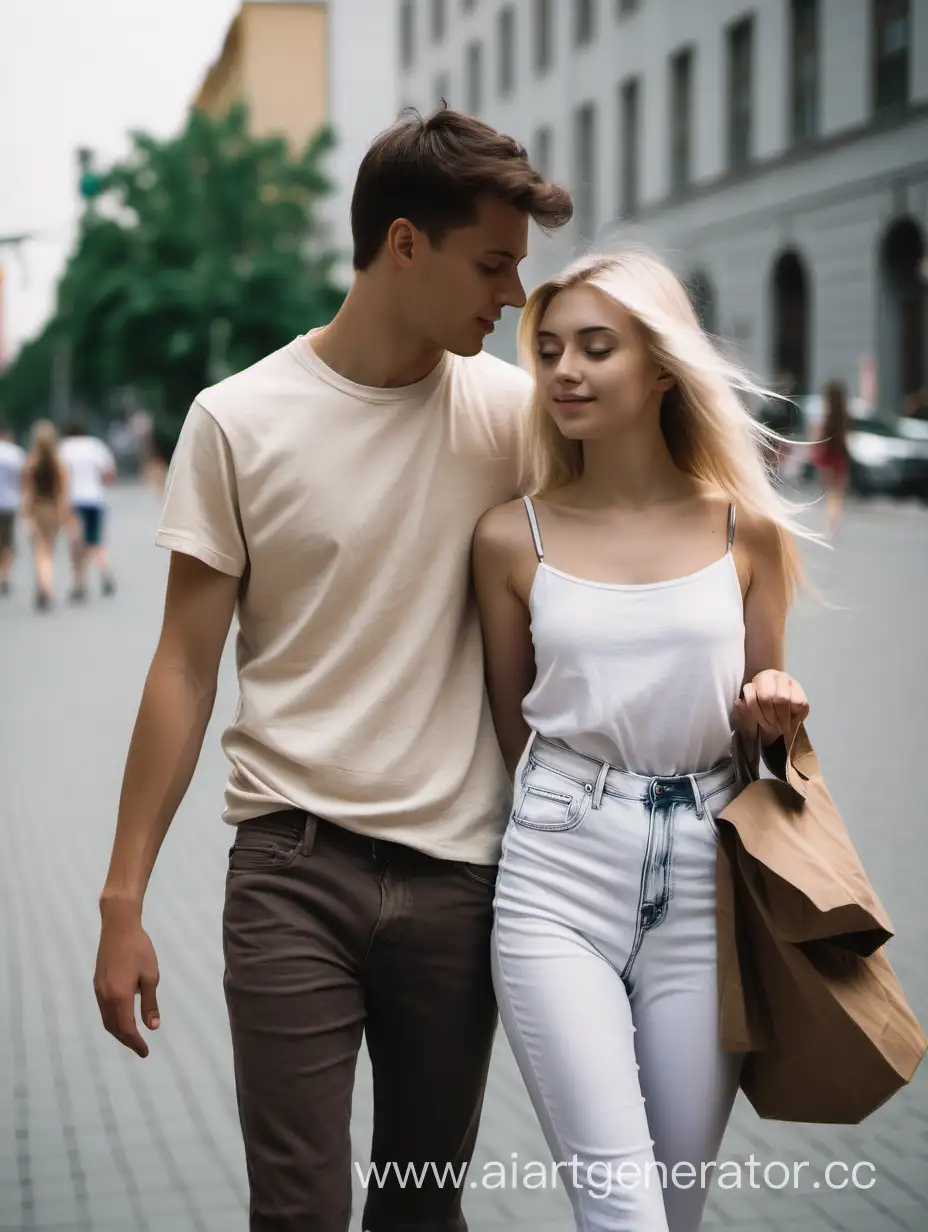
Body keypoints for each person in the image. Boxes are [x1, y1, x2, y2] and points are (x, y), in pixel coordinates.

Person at [92, 106, 572, 1231]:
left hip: (462, 879)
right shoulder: (237, 420)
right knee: (297, 1210)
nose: (511, 298)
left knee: (419, 1209)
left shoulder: (518, 421)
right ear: (404, 242)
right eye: (493, 263)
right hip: (290, 872)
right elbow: (181, 669)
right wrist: (121, 900)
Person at [472, 251, 812, 1232]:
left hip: (707, 873)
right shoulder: (509, 537)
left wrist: (770, 710)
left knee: (673, 1204)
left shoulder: (747, 532)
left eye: (594, 346)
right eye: (547, 350)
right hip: (557, 874)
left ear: (660, 367)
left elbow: (763, 732)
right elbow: (512, 723)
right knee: (621, 1209)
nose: (564, 369)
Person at [59, 417, 118, 600]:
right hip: (95, 499)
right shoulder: (95, 446)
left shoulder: (63, 448)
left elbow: (59, 476)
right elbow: (109, 474)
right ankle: (105, 571)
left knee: (76, 543)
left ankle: (80, 583)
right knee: (95, 542)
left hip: (73, 501)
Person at [20, 420, 71, 612]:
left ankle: (44, 587)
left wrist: (27, 516)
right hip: (53, 509)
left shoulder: (30, 463)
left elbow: (28, 493)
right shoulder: (59, 463)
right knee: (48, 551)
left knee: (39, 551)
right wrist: (64, 515)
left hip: (37, 509)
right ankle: (45, 586)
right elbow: (62, 493)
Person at [812, 379, 852, 539]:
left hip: (828, 455)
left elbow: (820, 438)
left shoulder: (827, 416)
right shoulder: (844, 416)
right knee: (837, 493)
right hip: (840, 455)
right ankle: (832, 524)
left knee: (829, 492)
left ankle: (828, 524)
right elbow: (848, 436)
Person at [0, 420, 26, 596]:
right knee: (7, 542)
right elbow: (24, 479)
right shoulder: (15, 453)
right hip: (9, 503)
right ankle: (5, 576)